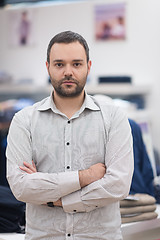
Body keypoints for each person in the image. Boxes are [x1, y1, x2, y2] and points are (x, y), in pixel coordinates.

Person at [6, 31, 134, 240]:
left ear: (88, 67)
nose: (68, 72)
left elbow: (118, 185)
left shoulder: (113, 118)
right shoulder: (24, 121)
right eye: (59, 64)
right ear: (47, 67)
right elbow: (21, 187)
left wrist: (56, 200)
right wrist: (86, 177)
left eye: (76, 64)